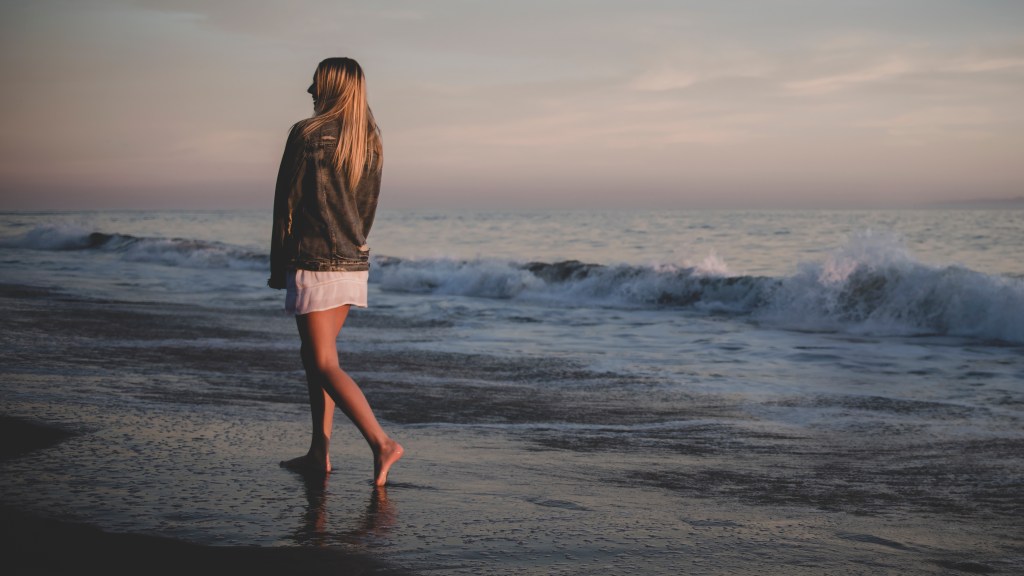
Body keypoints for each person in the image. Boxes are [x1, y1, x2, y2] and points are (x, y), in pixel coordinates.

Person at [268, 57, 403, 486]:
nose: (309, 89)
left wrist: (277, 264)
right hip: (351, 261)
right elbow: (366, 211)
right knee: (317, 358)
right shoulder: (371, 140)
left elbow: (284, 205)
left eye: (316, 82)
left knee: (322, 361)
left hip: (313, 259)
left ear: (332, 87)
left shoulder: (306, 134)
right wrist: (351, 249)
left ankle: (382, 443)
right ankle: (318, 452)